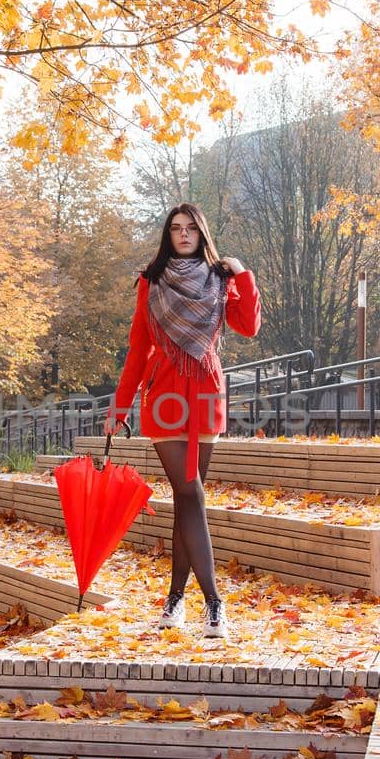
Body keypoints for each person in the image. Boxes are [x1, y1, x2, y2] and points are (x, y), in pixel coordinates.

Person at [103, 203, 261, 639]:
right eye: (176, 228)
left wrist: (242, 274)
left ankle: (175, 601)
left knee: (186, 499)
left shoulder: (219, 279)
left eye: (191, 228)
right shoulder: (150, 282)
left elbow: (247, 326)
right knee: (189, 491)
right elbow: (138, 347)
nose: (184, 234)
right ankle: (214, 604)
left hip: (206, 391)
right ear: (167, 235)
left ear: (202, 233)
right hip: (165, 394)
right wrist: (119, 405)